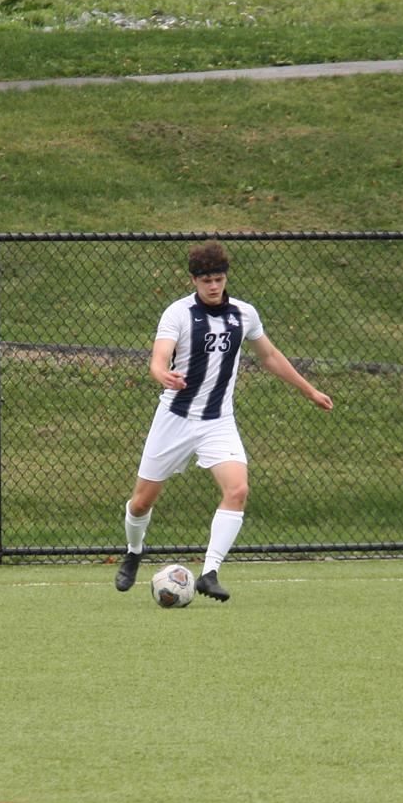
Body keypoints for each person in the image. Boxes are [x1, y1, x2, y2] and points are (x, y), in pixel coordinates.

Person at [115, 240, 333, 602]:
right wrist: (162, 374)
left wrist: (309, 391)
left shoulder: (244, 314)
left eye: (218, 279)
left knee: (238, 490)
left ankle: (210, 573)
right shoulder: (178, 313)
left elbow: (270, 355)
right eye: (206, 281)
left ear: (225, 277)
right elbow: (159, 357)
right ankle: (134, 552)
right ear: (193, 280)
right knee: (141, 503)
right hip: (175, 418)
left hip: (218, 421)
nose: (214, 286)